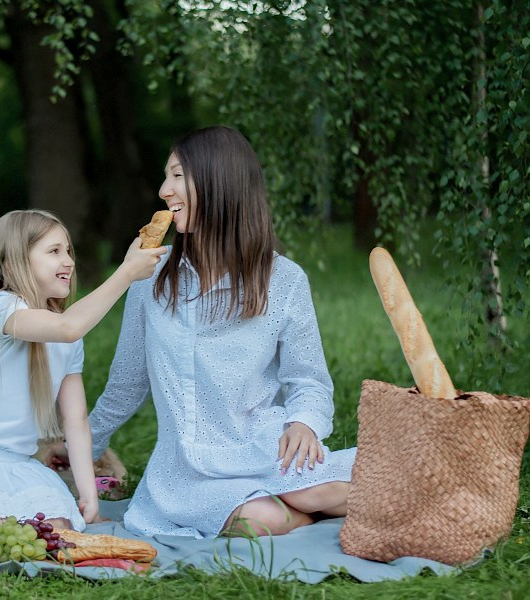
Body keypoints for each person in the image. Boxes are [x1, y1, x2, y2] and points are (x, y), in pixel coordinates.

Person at [52, 126, 356, 539]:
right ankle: (307, 513)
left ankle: (318, 500)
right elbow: (126, 385)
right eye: (166, 177)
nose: (164, 190)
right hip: (187, 472)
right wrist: (78, 447)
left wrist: (303, 424)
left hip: (267, 448)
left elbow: (309, 381)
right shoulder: (149, 277)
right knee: (259, 520)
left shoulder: (284, 279)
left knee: (322, 491)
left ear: (220, 182)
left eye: (177, 176)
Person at [0, 209, 167, 539]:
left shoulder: (68, 339)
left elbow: (76, 421)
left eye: (68, 251)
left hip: (18, 467)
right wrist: (126, 273)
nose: (68, 261)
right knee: (2, 532)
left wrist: (89, 498)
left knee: (57, 530)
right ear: (16, 261)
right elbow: (68, 326)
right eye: (54, 251)